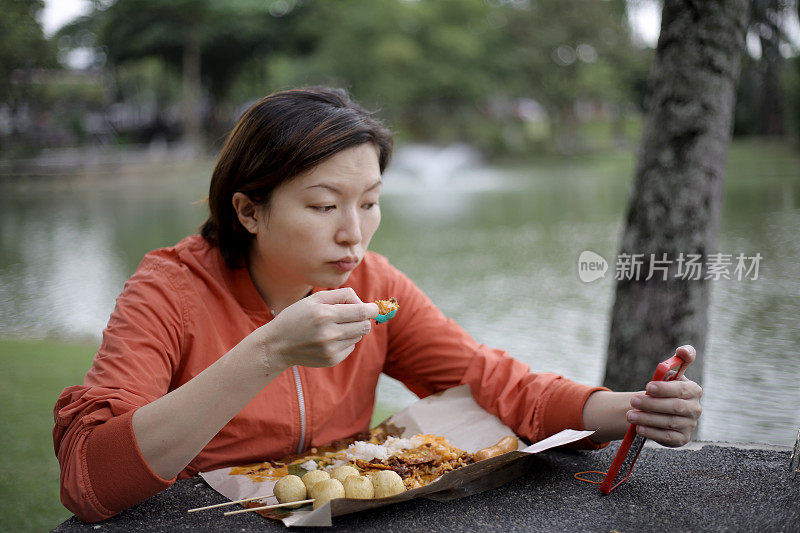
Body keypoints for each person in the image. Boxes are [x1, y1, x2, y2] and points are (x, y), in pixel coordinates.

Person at [53, 87, 703, 523]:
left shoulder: (371, 284)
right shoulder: (169, 290)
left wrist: (628, 408)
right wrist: (269, 350)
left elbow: (497, 383)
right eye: (324, 205)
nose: (354, 233)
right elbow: (89, 477)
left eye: (370, 201)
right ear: (248, 209)